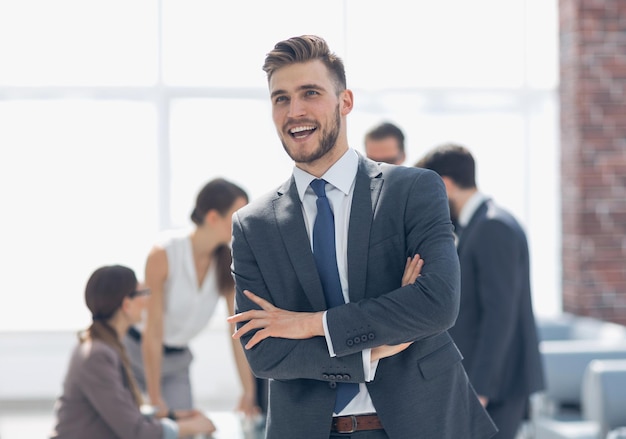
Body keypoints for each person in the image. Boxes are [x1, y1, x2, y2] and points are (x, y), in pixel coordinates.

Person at [226, 35, 497, 439]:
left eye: (310, 93)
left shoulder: (413, 191)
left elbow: (437, 305)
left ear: (345, 101)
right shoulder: (253, 225)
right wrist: (369, 352)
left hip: (423, 423)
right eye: (280, 98)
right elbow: (264, 353)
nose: (294, 111)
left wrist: (310, 324)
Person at [415, 143, 545, 439]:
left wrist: (481, 388)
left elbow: (500, 316)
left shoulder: (492, 227)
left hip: (495, 387)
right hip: (486, 382)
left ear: (445, 184)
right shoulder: (478, 224)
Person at [123, 178, 265, 422]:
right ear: (212, 218)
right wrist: (155, 398)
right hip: (136, 355)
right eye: (237, 215)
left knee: (185, 429)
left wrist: (248, 391)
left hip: (177, 361)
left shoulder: (229, 263)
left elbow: (236, 330)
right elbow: (153, 330)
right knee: (136, 426)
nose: (244, 223)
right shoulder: (163, 253)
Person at [49, 265, 216, 439]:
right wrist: (190, 427)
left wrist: (172, 416)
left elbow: (125, 415)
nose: (146, 301)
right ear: (126, 305)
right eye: (141, 293)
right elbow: (136, 432)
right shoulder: (97, 356)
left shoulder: (103, 347)